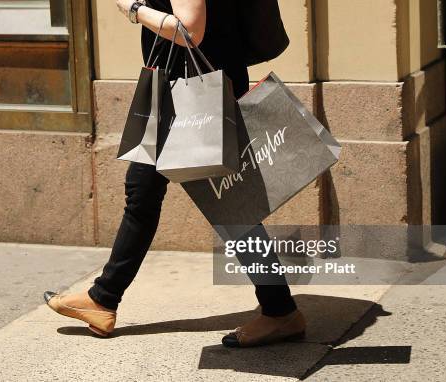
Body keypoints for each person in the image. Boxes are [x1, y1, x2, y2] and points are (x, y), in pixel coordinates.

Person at [44, 0, 306, 348]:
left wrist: (133, 8)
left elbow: (189, 29)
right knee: (145, 192)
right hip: (187, 86)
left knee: (226, 203)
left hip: (192, 96)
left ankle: (280, 310)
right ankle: (104, 299)